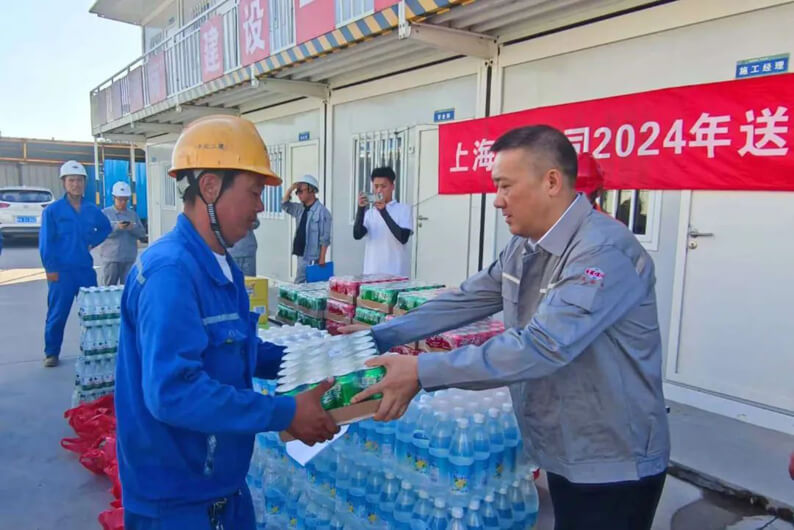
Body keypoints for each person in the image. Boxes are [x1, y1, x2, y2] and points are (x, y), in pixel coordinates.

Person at [348, 125, 670, 530]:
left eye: (505, 186)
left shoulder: (602, 251)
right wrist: (378, 336)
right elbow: (468, 298)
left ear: (551, 181)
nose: (498, 200)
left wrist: (422, 371)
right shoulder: (525, 244)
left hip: (613, 459)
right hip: (565, 445)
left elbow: (541, 347)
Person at [115, 115, 339, 530]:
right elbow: (174, 393)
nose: (260, 207)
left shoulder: (221, 265)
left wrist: (317, 360)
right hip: (178, 503)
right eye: (254, 192)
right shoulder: (171, 274)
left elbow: (240, 351)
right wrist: (285, 412)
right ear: (210, 187)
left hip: (222, 488)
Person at [39, 160, 111, 367]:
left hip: (84, 270)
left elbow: (105, 228)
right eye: (71, 180)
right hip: (61, 273)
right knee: (57, 314)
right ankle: (51, 353)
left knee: (93, 314)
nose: (76, 184)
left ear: (84, 183)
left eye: (79, 180)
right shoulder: (52, 211)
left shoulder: (91, 209)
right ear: (64, 182)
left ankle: (94, 350)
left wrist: (92, 242)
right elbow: (45, 243)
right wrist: (50, 269)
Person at [353, 167, 413, 277]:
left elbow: (403, 238)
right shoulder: (370, 213)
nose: (379, 190)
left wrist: (383, 212)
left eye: (383, 186)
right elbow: (357, 234)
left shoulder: (403, 209)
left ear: (392, 187)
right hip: (372, 272)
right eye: (376, 186)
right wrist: (361, 209)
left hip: (396, 273)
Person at [281, 174, 331, 283]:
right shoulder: (300, 209)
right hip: (301, 253)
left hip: (313, 256)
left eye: (301, 191)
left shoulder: (322, 212)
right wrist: (291, 188)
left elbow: (325, 238)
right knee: (301, 284)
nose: (299, 194)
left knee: (306, 284)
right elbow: (284, 205)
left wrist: (322, 258)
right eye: (297, 192)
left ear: (312, 190)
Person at [100, 181, 146, 285]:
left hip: (129, 258)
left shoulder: (133, 215)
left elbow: (142, 233)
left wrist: (132, 228)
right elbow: (101, 233)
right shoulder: (105, 214)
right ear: (114, 198)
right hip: (111, 259)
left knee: (127, 287)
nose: (123, 202)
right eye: (120, 199)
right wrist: (117, 227)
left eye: (125, 200)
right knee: (108, 288)